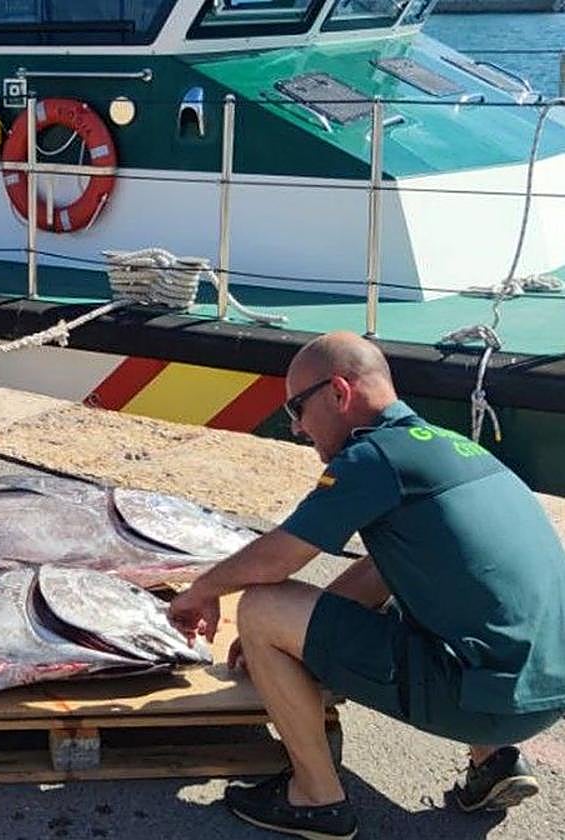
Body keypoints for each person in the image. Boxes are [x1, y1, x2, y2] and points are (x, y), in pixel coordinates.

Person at [169, 331, 565, 839]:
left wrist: (203, 590)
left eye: (298, 408)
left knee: (262, 606)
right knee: (430, 590)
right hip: (544, 690)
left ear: (338, 393)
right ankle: (495, 764)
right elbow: (383, 569)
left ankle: (316, 799)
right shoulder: (450, 446)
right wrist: (298, 641)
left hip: (484, 701)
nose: (295, 428)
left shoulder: (372, 457)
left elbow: (278, 557)